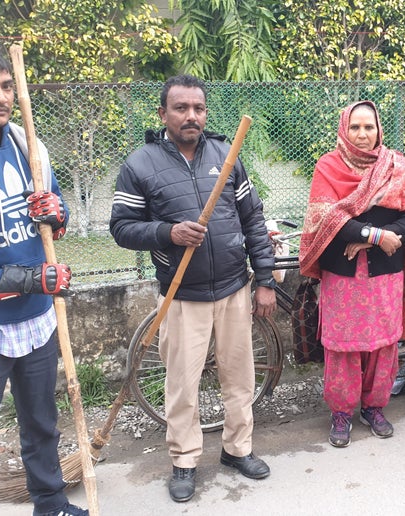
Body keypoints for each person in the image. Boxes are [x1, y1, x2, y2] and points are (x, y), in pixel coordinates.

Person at [109, 74, 276, 502]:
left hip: (235, 289)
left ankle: (238, 450)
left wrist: (265, 279)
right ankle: (184, 460)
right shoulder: (140, 164)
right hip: (182, 296)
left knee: (239, 377)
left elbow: (253, 219)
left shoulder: (227, 153)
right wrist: (167, 233)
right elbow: (122, 228)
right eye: (181, 108)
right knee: (183, 384)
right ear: (163, 113)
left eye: (198, 109)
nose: (191, 116)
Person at [0, 41, 85, 516]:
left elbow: (54, 212)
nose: (0, 96)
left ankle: (50, 503)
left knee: (42, 425)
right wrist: (27, 278)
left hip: (37, 320)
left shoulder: (28, 143)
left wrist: (58, 212)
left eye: (6, 85)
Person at [299, 101, 405, 448]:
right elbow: (327, 219)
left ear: (378, 130)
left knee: (383, 344)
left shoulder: (395, 165)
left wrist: (370, 241)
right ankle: (341, 413)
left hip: (385, 277)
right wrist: (372, 235)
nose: (362, 135)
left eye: (368, 127)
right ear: (345, 129)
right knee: (342, 346)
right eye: (355, 127)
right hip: (342, 277)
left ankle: (373, 407)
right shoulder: (328, 167)